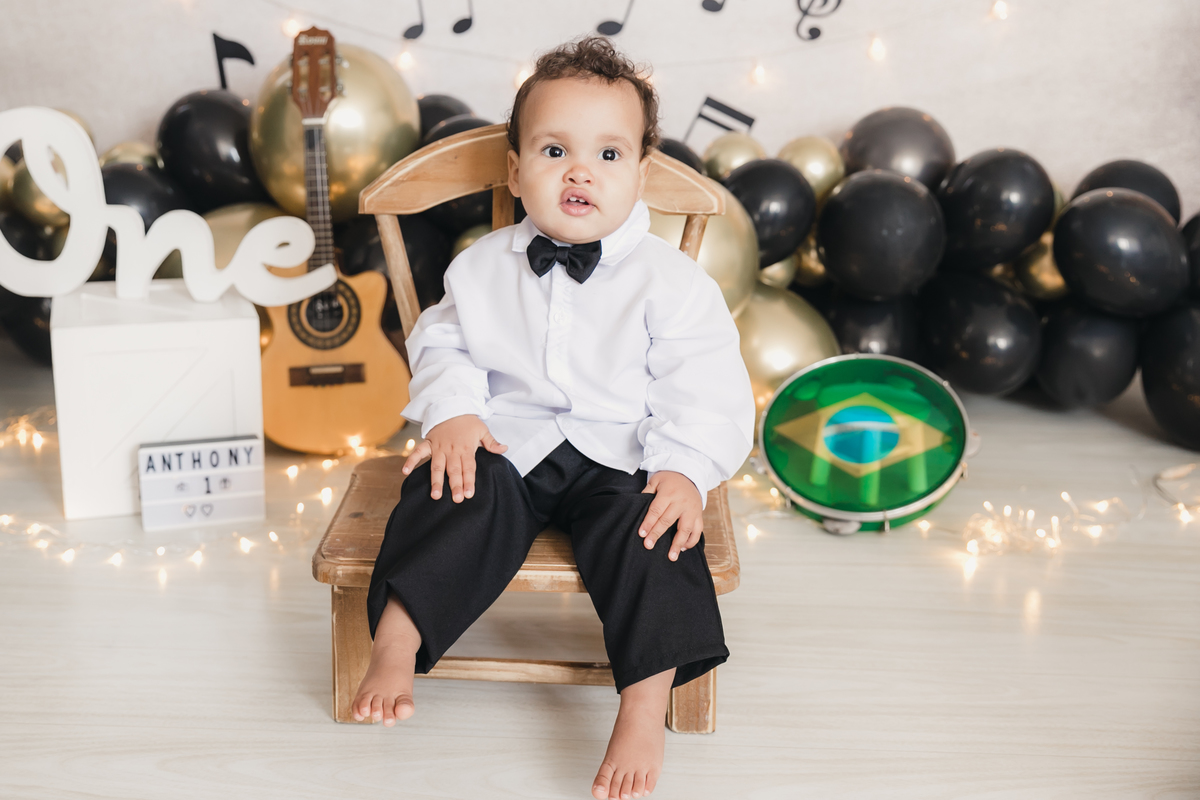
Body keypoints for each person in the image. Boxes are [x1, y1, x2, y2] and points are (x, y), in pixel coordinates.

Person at [352, 35, 754, 800]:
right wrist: (454, 414)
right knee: (451, 485)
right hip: (510, 441)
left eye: (608, 154)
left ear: (641, 173)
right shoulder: (482, 265)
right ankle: (398, 643)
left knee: (653, 532)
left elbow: (702, 383)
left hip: (623, 453)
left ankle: (642, 704)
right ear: (515, 170)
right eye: (554, 149)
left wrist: (683, 469)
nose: (579, 171)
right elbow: (443, 344)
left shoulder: (673, 282)